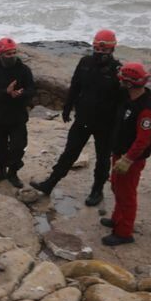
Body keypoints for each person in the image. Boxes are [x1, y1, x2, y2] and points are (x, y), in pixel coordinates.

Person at [31, 29, 122, 205]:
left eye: (105, 50)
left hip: (106, 124)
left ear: (112, 49)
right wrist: (67, 108)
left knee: (103, 159)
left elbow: (122, 101)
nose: (100, 53)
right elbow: (75, 86)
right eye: (98, 49)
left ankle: (97, 191)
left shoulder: (117, 71)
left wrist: (119, 127)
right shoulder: (85, 62)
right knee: (69, 153)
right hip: (83, 119)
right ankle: (50, 183)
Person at [101, 62, 151, 246]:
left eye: (123, 80)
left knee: (127, 194)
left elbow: (143, 140)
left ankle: (124, 232)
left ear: (130, 83)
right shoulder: (128, 100)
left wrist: (128, 159)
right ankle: (117, 219)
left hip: (131, 159)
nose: (121, 83)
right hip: (119, 153)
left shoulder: (146, 109)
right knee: (117, 187)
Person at [0, 37, 35, 188]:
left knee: (18, 147)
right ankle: (0, 170)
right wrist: (6, 92)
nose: (11, 56)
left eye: (13, 53)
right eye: (8, 54)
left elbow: (32, 89)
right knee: (0, 146)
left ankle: (13, 172)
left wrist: (21, 94)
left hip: (18, 117)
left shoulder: (24, 70)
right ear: (0, 54)